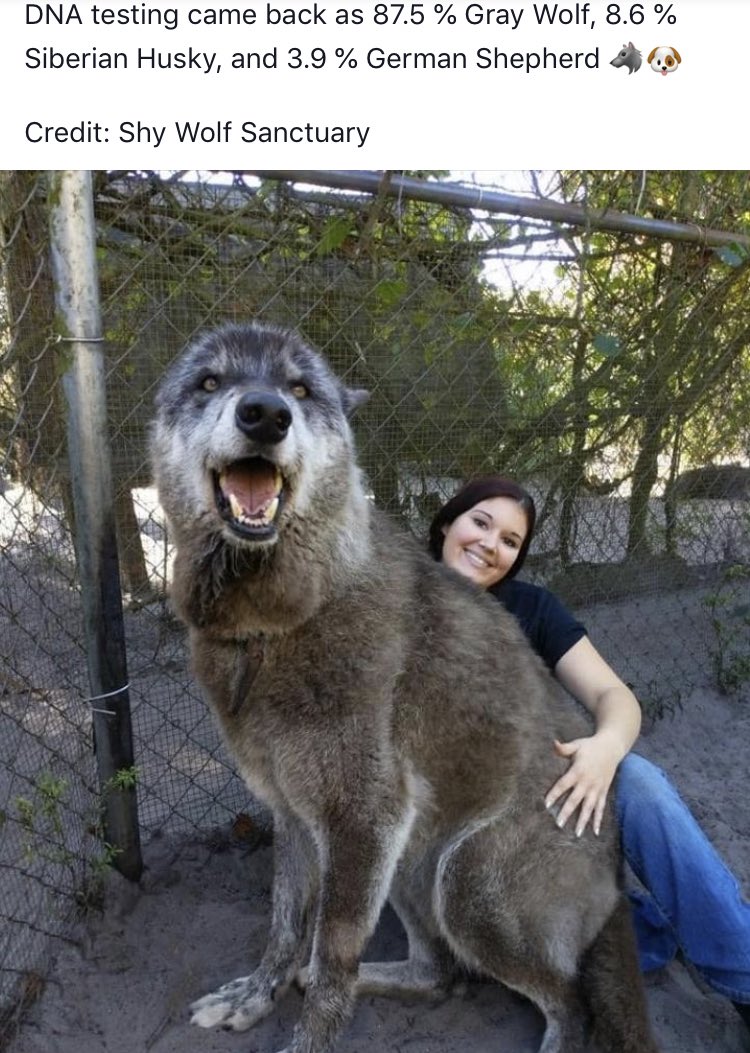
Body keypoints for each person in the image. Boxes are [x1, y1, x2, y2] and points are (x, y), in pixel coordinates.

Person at [428, 475, 750, 1030]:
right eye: (480, 523)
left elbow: (614, 696)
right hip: (451, 832)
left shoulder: (530, 609)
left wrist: (604, 748)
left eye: (510, 540)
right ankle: (641, 926)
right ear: (444, 526)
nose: (490, 544)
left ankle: (744, 982)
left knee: (640, 782)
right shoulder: (389, 607)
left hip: (536, 798)